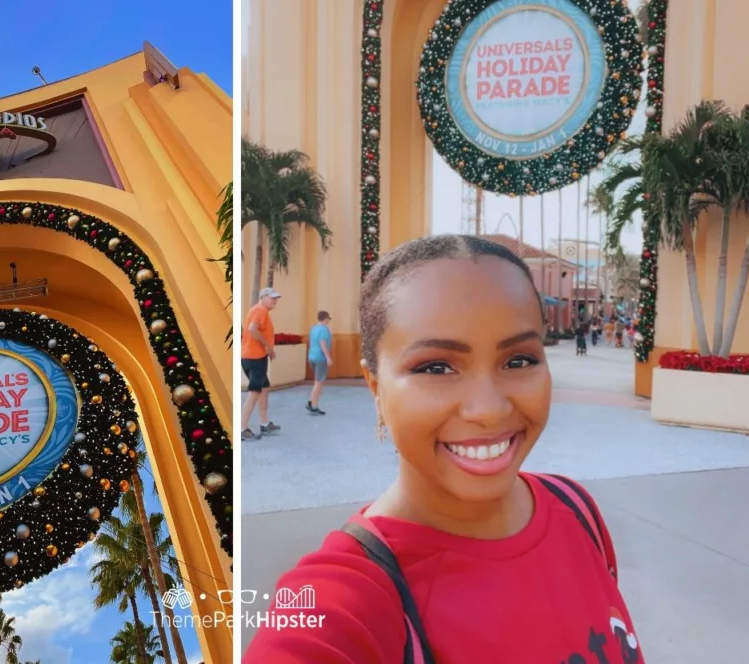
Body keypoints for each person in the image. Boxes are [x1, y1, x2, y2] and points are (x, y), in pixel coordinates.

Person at [245, 235, 641, 663]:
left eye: (519, 360)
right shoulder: (337, 603)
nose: (488, 410)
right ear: (375, 386)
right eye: (436, 367)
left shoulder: (577, 511)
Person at [240, 287, 282, 440]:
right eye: (272, 297)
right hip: (255, 357)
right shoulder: (261, 310)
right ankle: (242, 428)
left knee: (263, 387)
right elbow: (252, 329)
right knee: (255, 392)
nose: (275, 300)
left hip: (251, 356)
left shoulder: (257, 310)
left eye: (276, 298)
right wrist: (268, 347)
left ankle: (264, 423)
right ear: (263, 297)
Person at [307, 310, 334, 415]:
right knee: (319, 383)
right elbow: (322, 343)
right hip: (320, 358)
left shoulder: (313, 328)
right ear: (326, 319)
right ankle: (314, 406)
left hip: (312, 356)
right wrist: (328, 357)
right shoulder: (324, 330)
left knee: (317, 381)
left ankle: (311, 401)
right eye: (329, 319)